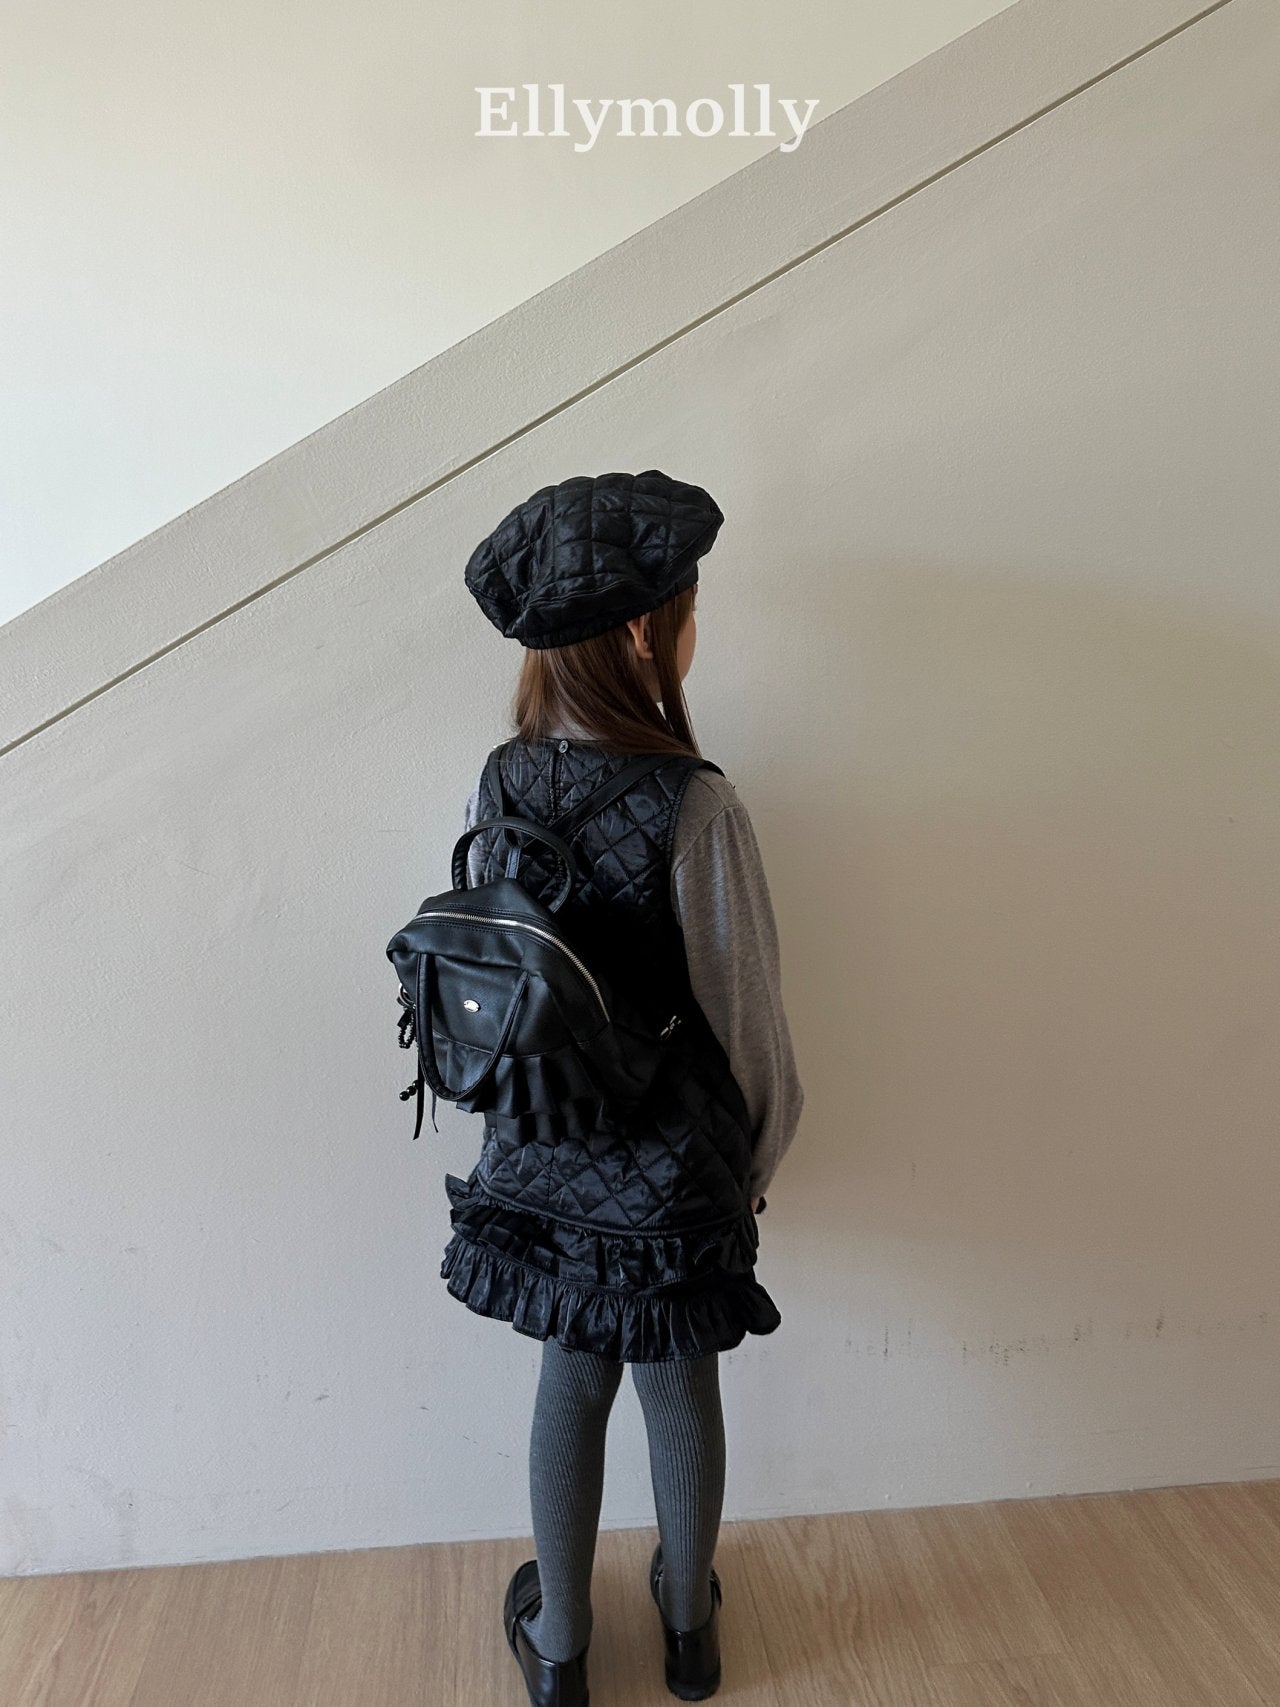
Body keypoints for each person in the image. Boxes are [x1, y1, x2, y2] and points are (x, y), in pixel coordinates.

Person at [444, 468, 804, 1705]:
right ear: (645, 632)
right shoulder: (692, 803)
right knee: (677, 1377)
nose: (694, 631)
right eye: (689, 610)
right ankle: (689, 1630)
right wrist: (752, 1165)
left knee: (570, 1373)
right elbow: (746, 1018)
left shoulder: (498, 781)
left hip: (542, 1150)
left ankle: (558, 1651)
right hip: (670, 1168)